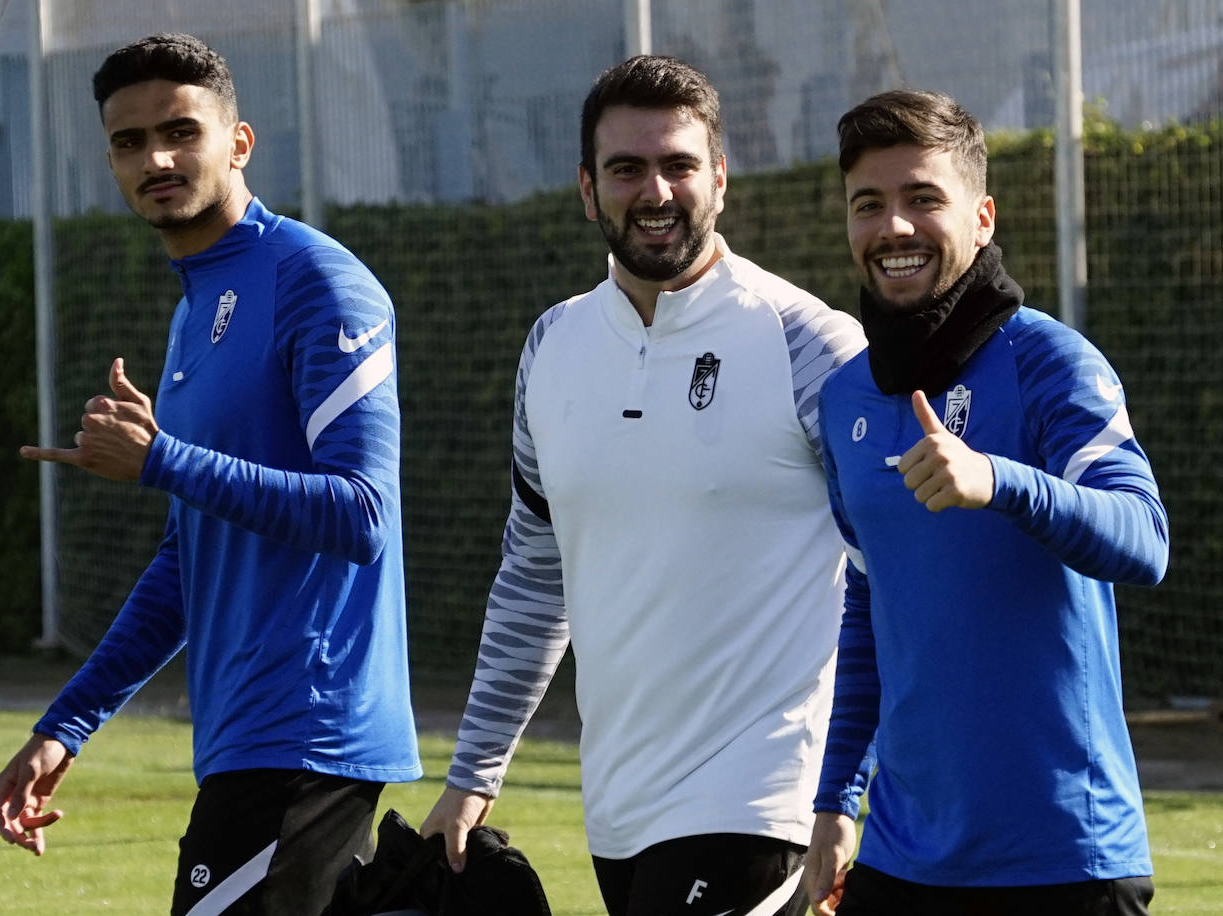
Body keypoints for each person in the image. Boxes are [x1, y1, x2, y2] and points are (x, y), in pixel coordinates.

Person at [420, 55, 865, 916]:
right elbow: (535, 573)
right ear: (588, 189)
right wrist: (474, 776)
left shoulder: (812, 345)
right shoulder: (551, 346)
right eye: (627, 169)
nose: (655, 191)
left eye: (679, 165)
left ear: (721, 180)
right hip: (617, 808)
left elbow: (890, 577)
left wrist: (845, 792)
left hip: (763, 796)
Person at [0, 33, 421, 915]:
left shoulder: (318, 281)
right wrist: (67, 723)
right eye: (127, 140)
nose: (155, 157)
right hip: (246, 743)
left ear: (239, 142)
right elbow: (192, 559)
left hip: (308, 733)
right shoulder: (195, 315)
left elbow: (363, 514)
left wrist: (163, 459)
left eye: (181, 130)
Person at [803, 88, 1170, 916]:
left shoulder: (1050, 361)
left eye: (923, 198)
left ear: (982, 218)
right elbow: (869, 609)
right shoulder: (844, 400)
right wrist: (835, 801)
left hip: (1066, 861)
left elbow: (1145, 538)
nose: (894, 227)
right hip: (901, 859)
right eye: (870, 205)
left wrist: (1000, 482)